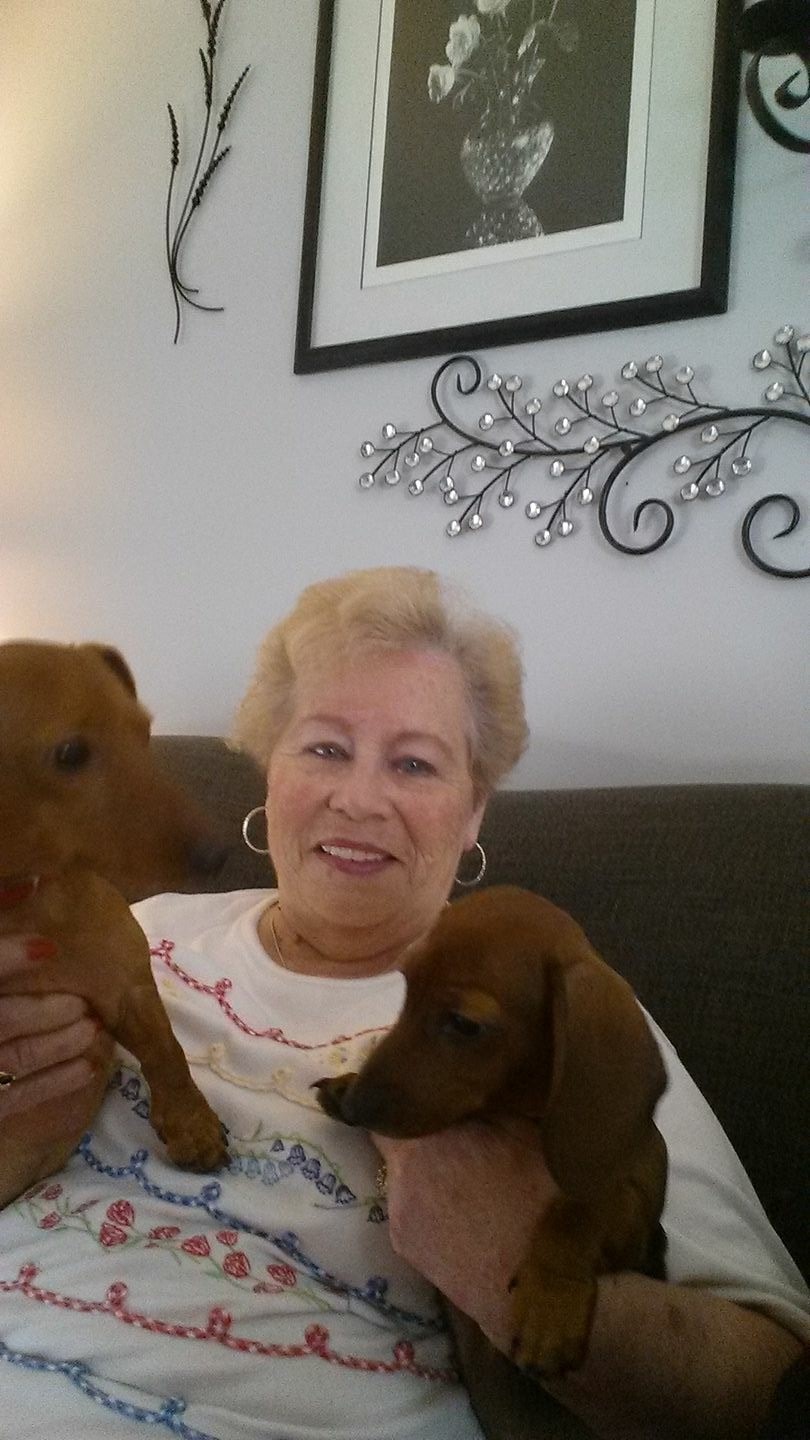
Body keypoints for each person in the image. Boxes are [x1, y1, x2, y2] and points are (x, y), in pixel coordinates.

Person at [0, 565, 806, 1440]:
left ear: (474, 811)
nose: (359, 798)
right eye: (324, 749)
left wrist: (506, 1270)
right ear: (268, 772)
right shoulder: (122, 927)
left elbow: (766, 1388)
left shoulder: (554, 1018)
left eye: (415, 763)